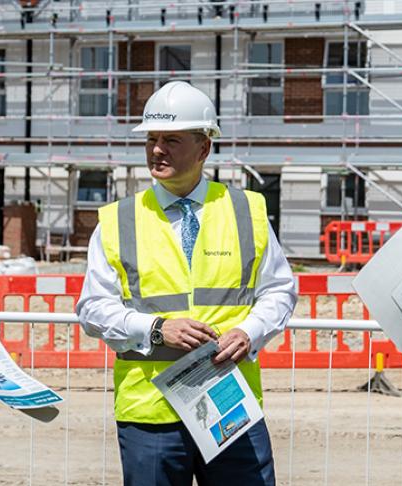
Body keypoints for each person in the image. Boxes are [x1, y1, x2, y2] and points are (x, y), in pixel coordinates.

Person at [76, 80, 297, 486]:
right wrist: (156, 329)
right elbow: (92, 309)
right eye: (152, 139)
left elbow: (279, 290)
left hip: (230, 404)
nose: (157, 149)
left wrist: (249, 332)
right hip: (150, 414)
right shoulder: (117, 220)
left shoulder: (247, 210)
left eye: (171, 140)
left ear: (204, 147)